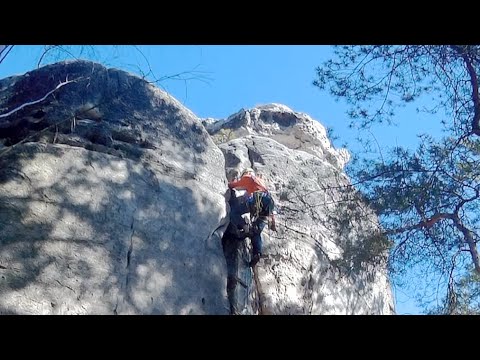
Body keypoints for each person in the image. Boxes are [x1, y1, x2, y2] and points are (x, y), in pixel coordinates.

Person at [228, 168, 276, 267]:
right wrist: (273, 221)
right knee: (256, 231)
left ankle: (245, 227)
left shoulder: (248, 177)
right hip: (268, 203)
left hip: (257, 199)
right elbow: (270, 209)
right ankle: (257, 253)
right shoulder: (261, 184)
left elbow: (233, 185)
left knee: (234, 212)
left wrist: (229, 183)